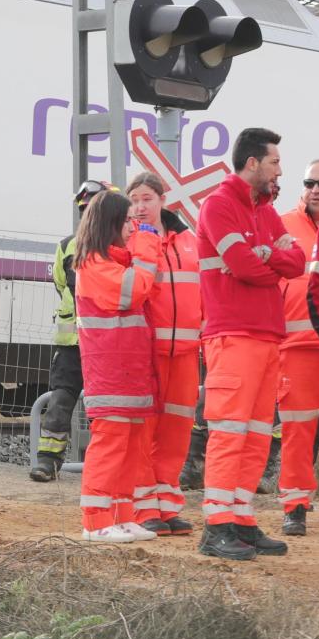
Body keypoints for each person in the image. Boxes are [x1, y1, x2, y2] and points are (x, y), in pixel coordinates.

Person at [196, 126, 302, 560]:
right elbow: (242, 266)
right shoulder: (219, 204)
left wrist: (265, 257)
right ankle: (216, 526)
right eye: (275, 161)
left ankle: (240, 519)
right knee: (230, 431)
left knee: (256, 434)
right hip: (233, 332)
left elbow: (295, 263)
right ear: (253, 163)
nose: (281, 169)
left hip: (264, 335)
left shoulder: (265, 211)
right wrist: (266, 259)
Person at [73, 190, 163, 543]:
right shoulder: (94, 265)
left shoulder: (113, 261)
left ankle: (122, 517)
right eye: (127, 220)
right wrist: (146, 246)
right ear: (110, 223)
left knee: (128, 451)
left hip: (128, 373)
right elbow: (134, 291)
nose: (134, 226)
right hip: (111, 374)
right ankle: (95, 522)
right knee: (110, 449)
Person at [124, 173, 201, 536]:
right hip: (147, 351)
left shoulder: (190, 241)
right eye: (135, 200)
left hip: (186, 353)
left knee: (177, 430)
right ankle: (143, 508)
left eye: (147, 199)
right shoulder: (129, 240)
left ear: (162, 200)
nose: (140, 207)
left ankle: (168, 506)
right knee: (144, 430)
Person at [31, 180, 117, 482]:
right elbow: (62, 286)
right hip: (74, 343)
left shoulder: (117, 244)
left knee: (103, 406)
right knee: (61, 401)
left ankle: (103, 467)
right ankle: (47, 461)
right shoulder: (68, 245)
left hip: (103, 342)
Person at [277, 159, 319, 534]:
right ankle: (295, 505)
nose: (315, 189)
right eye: (309, 182)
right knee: (297, 429)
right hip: (297, 346)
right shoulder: (282, 226)